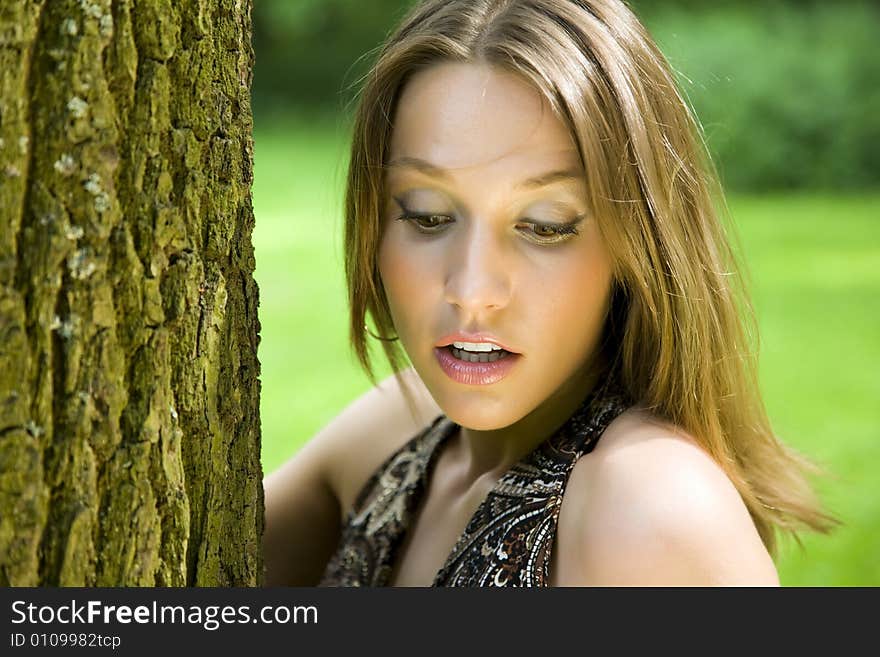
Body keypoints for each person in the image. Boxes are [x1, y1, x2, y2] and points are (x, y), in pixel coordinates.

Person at [262, 0, 836, 586]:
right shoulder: (397, 430)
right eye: (427, 216)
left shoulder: (651, 509)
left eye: (545, 225)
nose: (473, 290)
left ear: (638, 243)